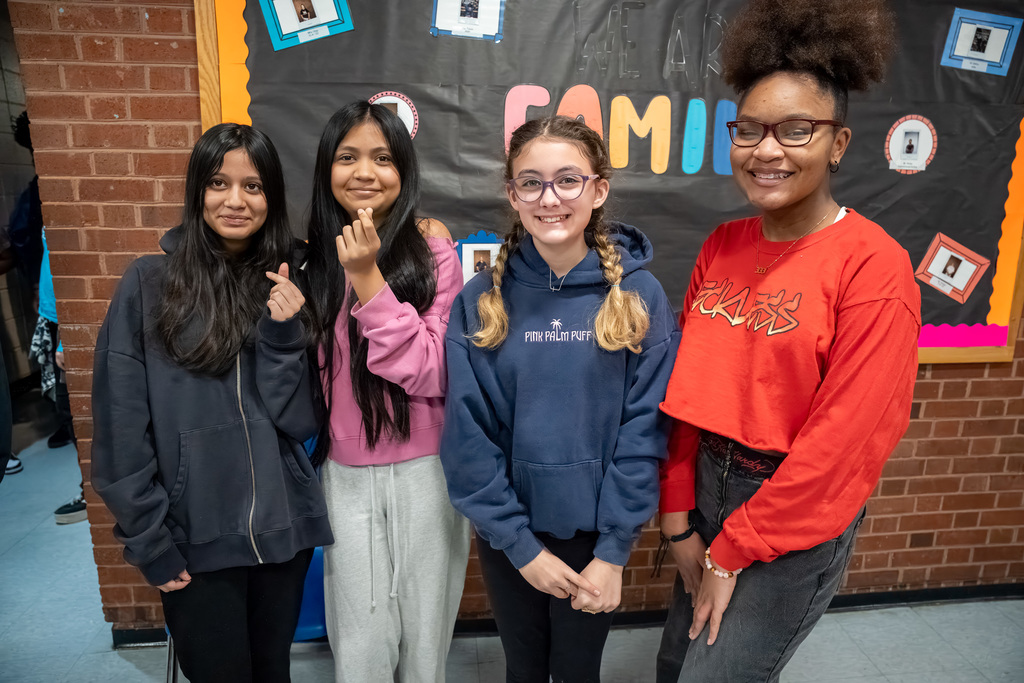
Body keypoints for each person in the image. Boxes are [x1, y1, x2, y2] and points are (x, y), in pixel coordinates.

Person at [655, 1, 920, 682]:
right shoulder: (723, 244)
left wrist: (729, 552)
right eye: (749, 129)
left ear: (837, 143)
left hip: (791, 514)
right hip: (708, 490)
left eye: (796, 130)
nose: (766, 149)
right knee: (671, 662)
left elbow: (843, 446)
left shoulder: (872, 265)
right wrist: (680, 518)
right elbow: (688, 390)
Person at [440, 116, 680, 683]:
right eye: (531, 182)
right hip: (511, 537)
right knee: (523, 668)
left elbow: (645, 428)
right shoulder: (480, 299)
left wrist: (615, 548)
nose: (550, 198)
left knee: (577, 670)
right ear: (512, 193)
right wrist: (520, 547)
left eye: (567, 180)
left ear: (598, 190)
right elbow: (468, 437)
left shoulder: (639, 295)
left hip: (596, 536)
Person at [91, 123, 333, 683]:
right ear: (197, 189)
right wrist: (150, 540)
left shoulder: (288, 283)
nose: (235, 200)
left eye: (253, 186)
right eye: (219, 183)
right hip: (193, 540)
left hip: (283, 539)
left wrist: (281, 335)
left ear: (272, 195)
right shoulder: (149, 283)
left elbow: (300, 421)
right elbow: (120, 429)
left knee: (273, 673)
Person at [303, 101, 469, 683]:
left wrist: (369, 278)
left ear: (406, 171)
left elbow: (433, 370)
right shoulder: (310, 263)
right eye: (347, 157)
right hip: (344, 477)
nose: (365, 172)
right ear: (327, 167)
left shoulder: (434, 253)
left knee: (426, 647)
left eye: (383, 158)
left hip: (429, 471)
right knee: (361, 646)